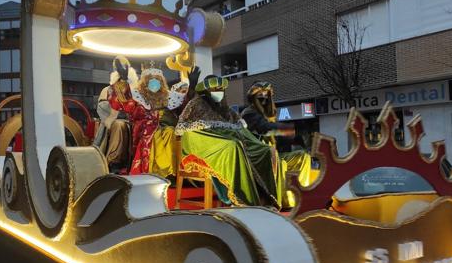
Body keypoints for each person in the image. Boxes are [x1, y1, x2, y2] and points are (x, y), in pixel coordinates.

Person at [176, 75, 283, 208]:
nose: (219, 91)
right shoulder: (195, 104)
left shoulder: (225, 108)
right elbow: (183, 129)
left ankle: (266, 200)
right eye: (215, 89)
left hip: (226, 141)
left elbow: (239, 127)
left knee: (265, 151)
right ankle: (242, 199)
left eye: (221, 88)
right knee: (234, 147)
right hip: (206, 146)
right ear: (206, 91)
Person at [110, 63, 196, 176]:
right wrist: (123, 81)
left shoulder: (168, 96)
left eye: (157, 79)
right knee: (166, 133)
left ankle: (177, 171)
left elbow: (184, 105)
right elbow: (122, 102)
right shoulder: (137, 96)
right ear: (145, 82)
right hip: (146, 127)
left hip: (168, 125)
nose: (154, 82)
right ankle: (162, 171)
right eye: (151, 79)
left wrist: (191, 86)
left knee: (175, 133)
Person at [241, 81, 312, 207]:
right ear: (253, 97)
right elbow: (264, 128)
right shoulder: (249, 113)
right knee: (279, 162)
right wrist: (291, 130)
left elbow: (276, 138)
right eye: (260, 95)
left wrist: (300, 139)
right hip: (258, 158)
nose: (264, 98)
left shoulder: (268, 116)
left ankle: (299, 195)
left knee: (302, 157)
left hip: (272, 154)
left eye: (266, 95)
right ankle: (282, 200)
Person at [94, 56, 136, 173]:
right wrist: (119, 110)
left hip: (133, 122)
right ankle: (113, 161)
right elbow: (102, 107)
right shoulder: (107, 90)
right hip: (112, 123)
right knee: (118, 125)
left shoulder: (133, 91)